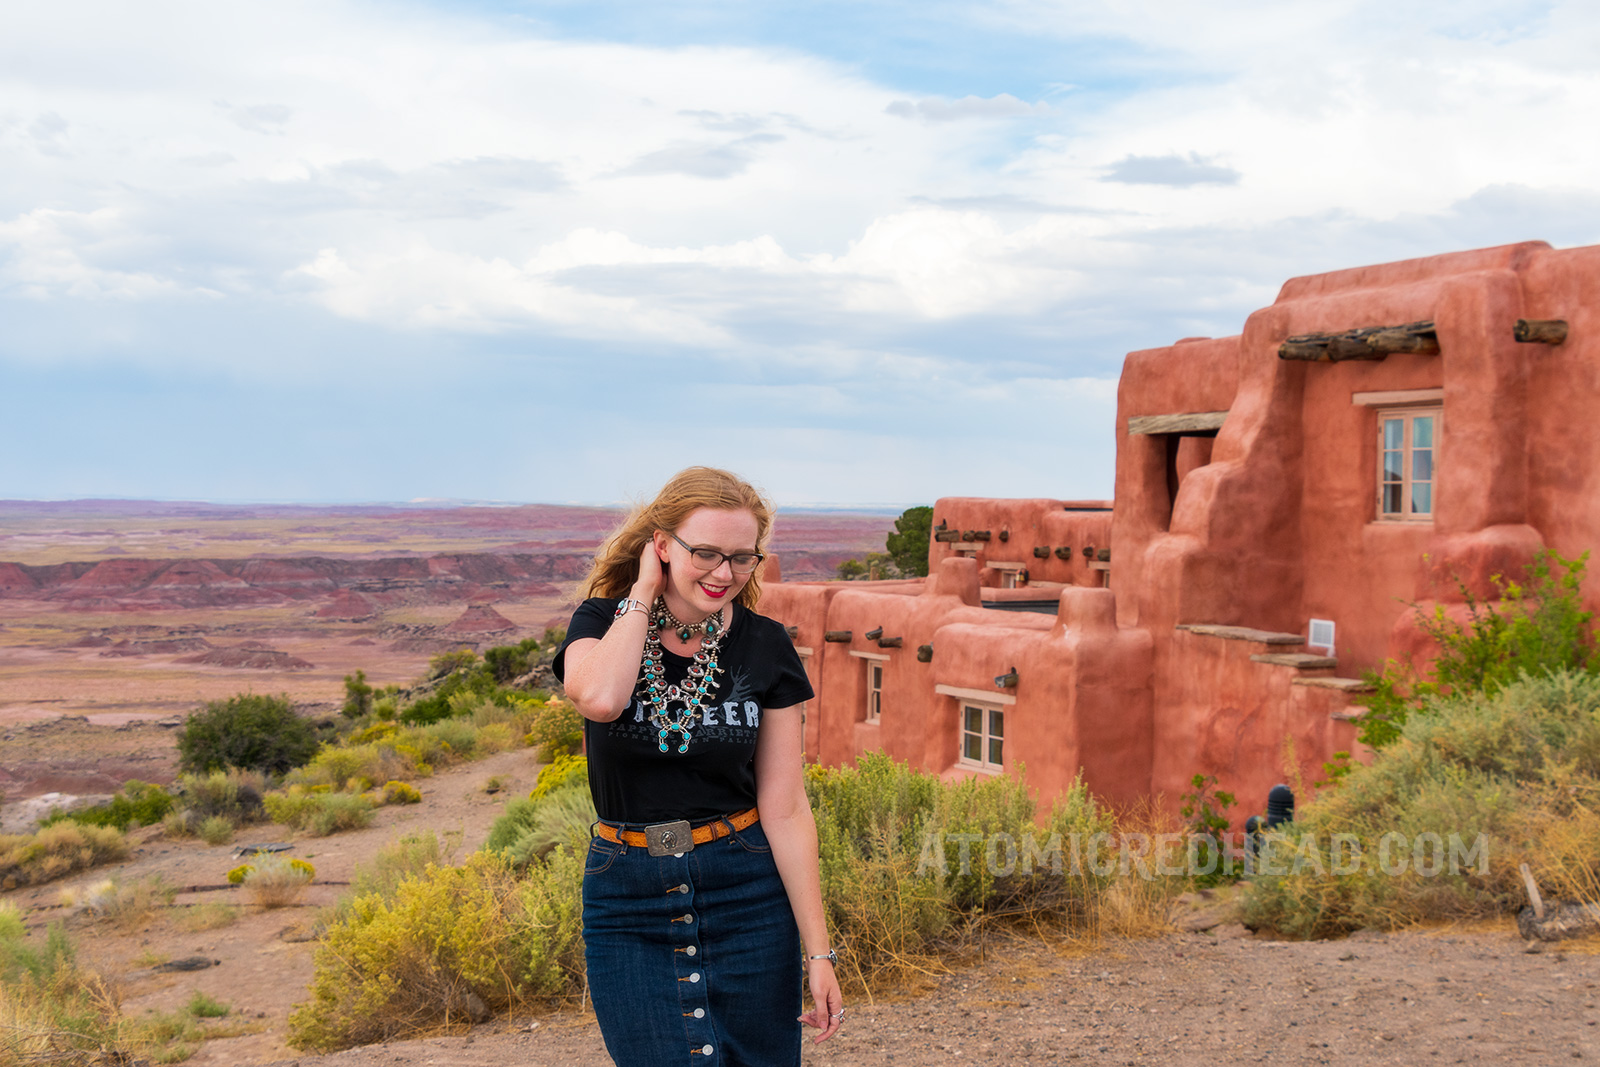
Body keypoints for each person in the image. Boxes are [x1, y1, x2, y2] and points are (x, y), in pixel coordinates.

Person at [554, 466, 844, 1066]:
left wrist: (819, 954)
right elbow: (603, 699)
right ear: (661, 546)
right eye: (705, 553)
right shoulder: (598, 624)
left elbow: (786, 808)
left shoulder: (766, 646)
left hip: (747, 890)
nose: (724, 573)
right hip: (628, 894)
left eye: (742, 558)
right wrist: (641, 592)